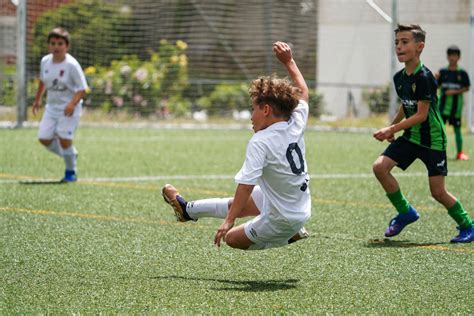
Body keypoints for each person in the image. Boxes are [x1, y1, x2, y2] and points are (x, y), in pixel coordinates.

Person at [162, 41, 311, 250]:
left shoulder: (261, 141)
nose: (251, 116)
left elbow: (246, 185)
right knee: (238, 204)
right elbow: (303, 92)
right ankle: (187, 210)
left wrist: (229, 221)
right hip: (298, 206)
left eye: (253, 109)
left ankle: (290, 236)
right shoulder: (295, 122)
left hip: (283, 219)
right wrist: (289, 61)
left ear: (266, 110)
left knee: (232, 238)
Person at [372, 24, 473, 243]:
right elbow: (405, 105)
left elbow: (421, 115)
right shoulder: (399, 78)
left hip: (432, 140)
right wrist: (393, 125)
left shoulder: (426, 77)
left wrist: (391, 129)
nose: (399, 47)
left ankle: (468, 225)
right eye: (397, 42)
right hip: (411, 137)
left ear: (420, 47)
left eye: (405, 42)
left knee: (438, 192)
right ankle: (406, 212)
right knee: (380, 167)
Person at [32, 27, 88, 182]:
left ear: (67, 46)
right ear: (49, 45)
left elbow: (83, 89)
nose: (56, 46)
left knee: (64, 138)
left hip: (69, 109)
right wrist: (38, 100)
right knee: (44, 138)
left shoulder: (72, 65)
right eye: (53, 43)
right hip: (51, 107)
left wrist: (71, 104)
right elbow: (43, 81)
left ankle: (71, 171)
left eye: (60, 43)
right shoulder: (45, 61)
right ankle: (70, 154)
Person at [436, 45, 470, 160]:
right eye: (450, 55)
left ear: (458, 57)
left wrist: (454, 92)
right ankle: (438, 152)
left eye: (454, 55)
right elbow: (436, 85)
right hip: (442, 107)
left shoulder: (462, 73)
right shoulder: (442, 72)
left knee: (457, 130)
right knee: (439, 130)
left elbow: (467, 87)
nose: (452, 58)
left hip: (456, 108)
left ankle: (460, 153)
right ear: (447, 56)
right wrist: (434, 79)